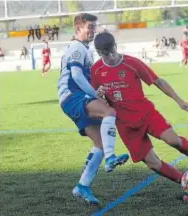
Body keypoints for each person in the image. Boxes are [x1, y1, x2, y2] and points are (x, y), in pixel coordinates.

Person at [91, 32, 188, 201]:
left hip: (146, 114)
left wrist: (179, 101)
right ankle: (187, 183)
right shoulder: (96, 70)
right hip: (125, 125)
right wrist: (99, 96)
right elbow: (95, 99)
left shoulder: (132, 63)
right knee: (153, 164)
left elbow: (158, 81)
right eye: (105, 54)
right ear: (98, 52)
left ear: (116, 46)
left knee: (173, 140)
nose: (110, 57)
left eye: (112, 52)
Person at [57, 13, 129, 205]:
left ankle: (82, 186)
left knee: (100, 143)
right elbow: (76, 75)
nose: (92, 30)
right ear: (77, 29)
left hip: (75, 98)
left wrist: (98, 90)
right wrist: (95, 94)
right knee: (109, 112)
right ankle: (111, 158)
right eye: (89, 27)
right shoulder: (76, 47)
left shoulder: (84, 49)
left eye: (94, 27)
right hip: (73, 96)